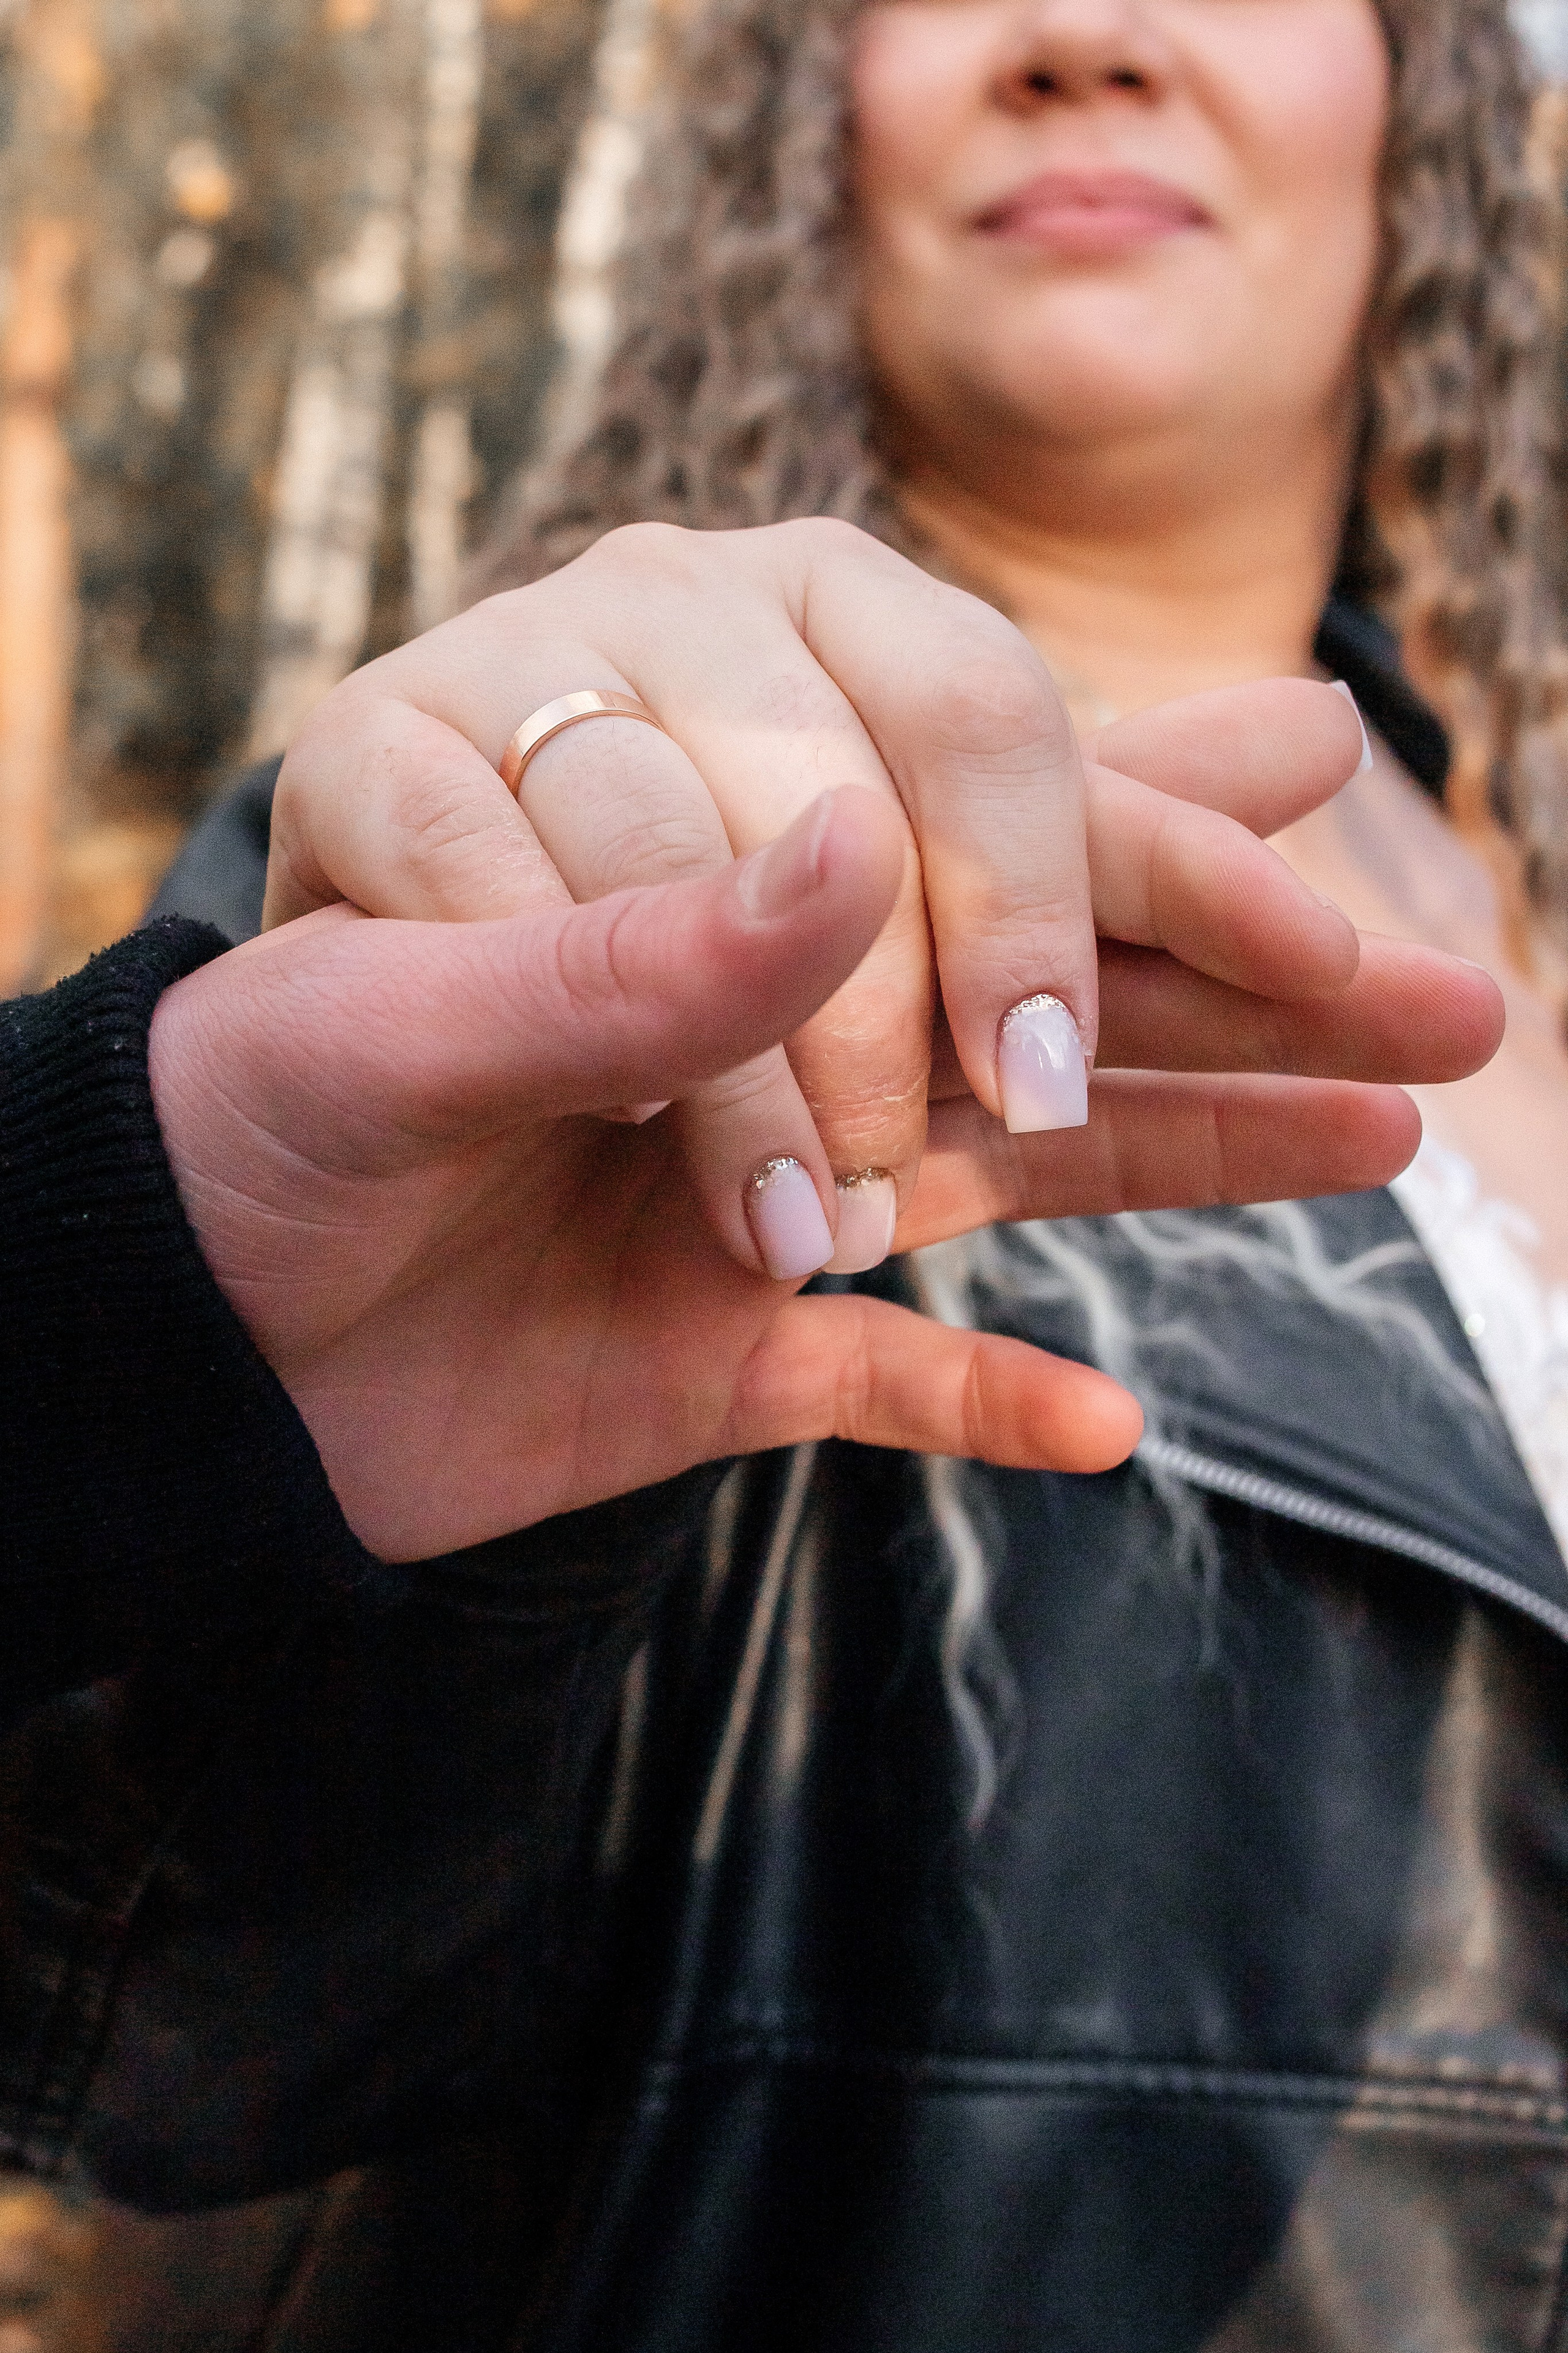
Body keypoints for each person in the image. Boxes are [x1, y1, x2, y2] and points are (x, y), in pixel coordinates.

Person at [8, 0, 1568, 2346]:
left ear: (1422, 102)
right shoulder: (517, 915)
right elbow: (156, 2007)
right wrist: (136, 1289)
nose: (1085, 35)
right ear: (794, 119)